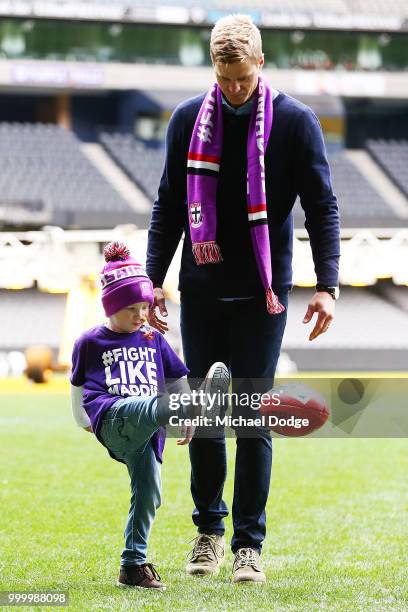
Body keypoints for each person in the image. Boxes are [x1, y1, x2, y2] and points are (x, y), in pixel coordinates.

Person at [147, 14, 340, 584]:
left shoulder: (297, 123)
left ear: (260, 62)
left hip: (263, 294)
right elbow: (169, 206)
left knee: (252, 416)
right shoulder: (187, 120)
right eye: (224, 78)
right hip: (202, 290)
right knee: (206, 415)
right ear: (215, 67)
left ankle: (247, 545)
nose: (233, 89)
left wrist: (327, 285)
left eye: (242, 77)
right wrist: (153, 277)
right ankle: (208, 532)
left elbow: (322, 208)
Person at [70, 240, 229, 590]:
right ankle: (196, 405)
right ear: (111, 306)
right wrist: (84, 420)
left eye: (144, 306)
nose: (142, 315)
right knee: (141, 405)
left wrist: (185, 415)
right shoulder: (90, 342)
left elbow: (175, 377)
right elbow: (79, 388)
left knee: (148, 493)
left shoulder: (152, 339)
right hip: (113, 416)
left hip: (149, 428)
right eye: (132, 308)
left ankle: (133, 565)